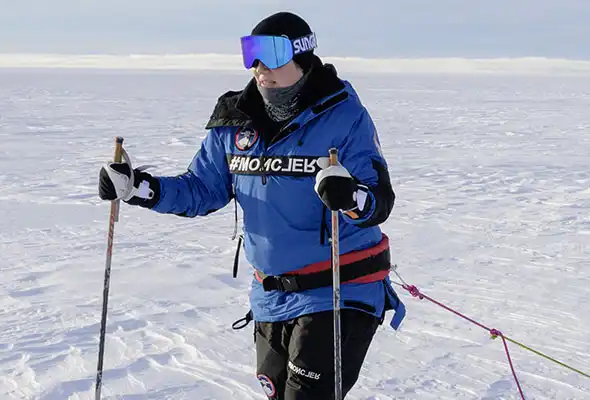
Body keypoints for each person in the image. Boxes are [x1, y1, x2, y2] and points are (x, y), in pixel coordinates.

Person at [97, 12, 403, 399]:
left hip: (340, 291)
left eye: (272, 56)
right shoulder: (235, 122)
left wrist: (350, 196)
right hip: (271, 296)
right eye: (251, 56)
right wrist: (139, 189)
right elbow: (202, 189)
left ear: (303, 57)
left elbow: (379, 200)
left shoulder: (344, 117)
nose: (260, 69)